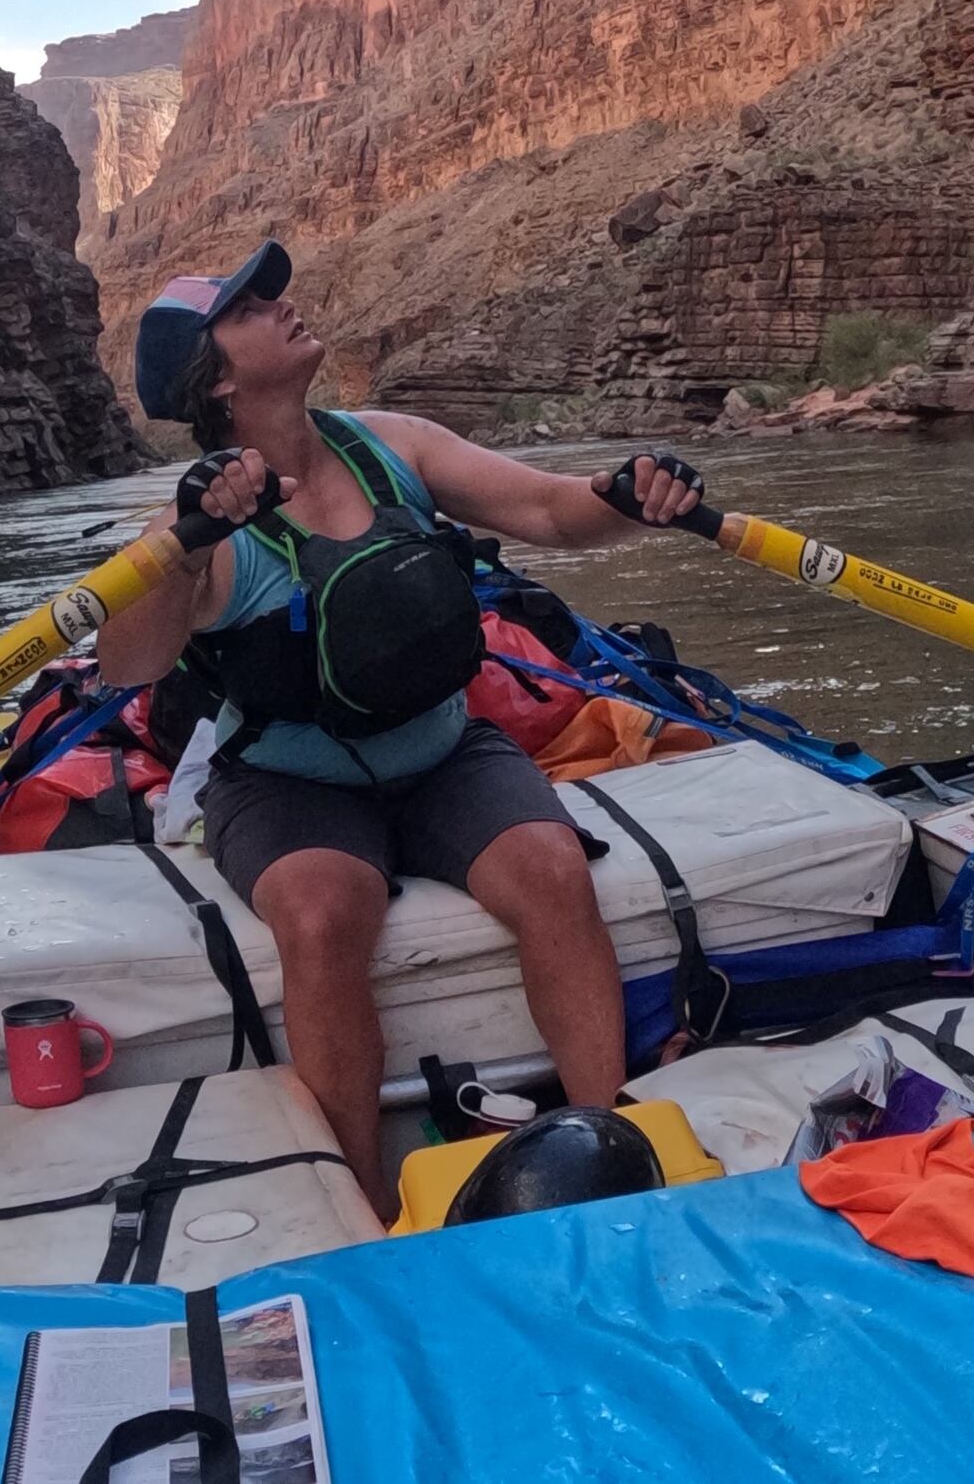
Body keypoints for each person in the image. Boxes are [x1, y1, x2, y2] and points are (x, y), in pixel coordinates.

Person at [98, 240, 706, 1220]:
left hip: (443, 750)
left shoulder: (390, 445)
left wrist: (624, 498)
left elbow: (552, 513)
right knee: (322, 912)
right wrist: (185, 544)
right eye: (249, 308)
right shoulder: (202, 527)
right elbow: (130, 664)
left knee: (552, 868)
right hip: (285, 782)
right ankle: (362, 1199)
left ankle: (604, 1141)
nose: (282, 304)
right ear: (211, 378)